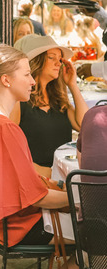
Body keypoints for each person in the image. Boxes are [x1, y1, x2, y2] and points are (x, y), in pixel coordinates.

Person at [0, 44, 77, 269]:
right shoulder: (5, 128)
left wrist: (60, 188)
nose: (32, 81)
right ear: (6, 80)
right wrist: (78, 198)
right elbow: (35, 196)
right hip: (18, 226)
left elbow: (20, 183)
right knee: (100, 229)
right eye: (26, 74)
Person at [11, 34, 86, 177]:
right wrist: (45, 173)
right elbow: (8, 150)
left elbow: (85, 125)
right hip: (34, 177)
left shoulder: (57, 99)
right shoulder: (19, 101)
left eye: (60, 59)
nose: (58, 63)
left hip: (61, 175)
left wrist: (72, 85)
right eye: (52, 57)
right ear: (36, 61)